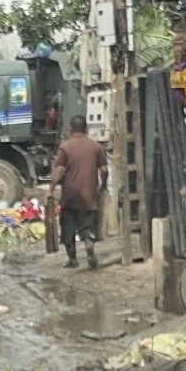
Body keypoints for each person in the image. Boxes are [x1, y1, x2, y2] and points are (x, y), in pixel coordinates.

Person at [48, 115, 108, 269]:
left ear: (70, 129)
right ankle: (88, 244)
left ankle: (72, 259)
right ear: (86, 129)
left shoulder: (65, 147)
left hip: (70, 196)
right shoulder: (96, 147)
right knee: (87, 225)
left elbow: (59, 170)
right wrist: (103, 186)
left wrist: (51, 189)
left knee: (68, 227)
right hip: (89, 196)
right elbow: (104, 169)